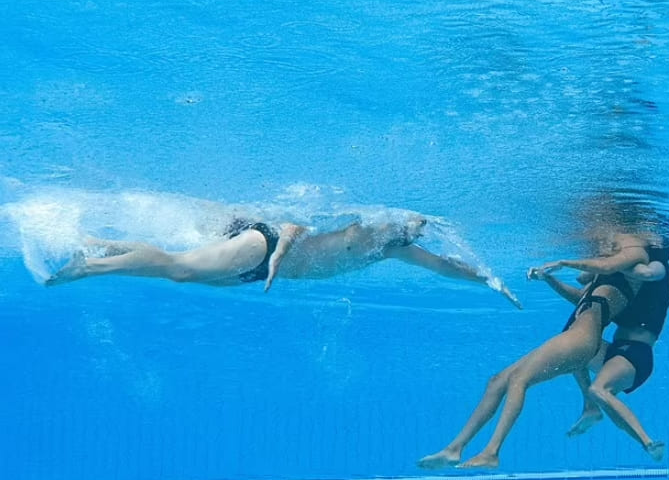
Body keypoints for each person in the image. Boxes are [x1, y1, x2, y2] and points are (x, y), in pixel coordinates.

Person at [417, 230, 656, 469]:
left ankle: (491, 452)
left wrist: (564, 263)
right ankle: (454, 449)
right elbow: (580, 297)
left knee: (520, 380)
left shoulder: (631, 268)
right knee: (498, 381)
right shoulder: (602, 281)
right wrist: (548, 279)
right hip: (574, 336)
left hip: (582, 340)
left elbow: (604, 266)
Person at [45, 215, 522, 308]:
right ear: (394, 219)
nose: (416, 234)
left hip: (259, 274)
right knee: (182, 267)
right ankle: (88, 267)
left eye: (418, 232)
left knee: (182, 275)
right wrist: (274, 263)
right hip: (262, 245)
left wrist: (490, 282)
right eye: (413, 226)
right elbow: (295, 225)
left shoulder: (391, 249)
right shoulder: (361, 224)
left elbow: (446, 267)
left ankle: (95, 244)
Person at [543, 242, 669, 461]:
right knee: (574, 346)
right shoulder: (617, 273)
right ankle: (591, 409)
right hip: (614, 351)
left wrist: (610, 265)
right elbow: (582, 299)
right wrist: (549, 279)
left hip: (636, 355)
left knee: (600, 389)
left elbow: (649, 274)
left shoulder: (657, 264)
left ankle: (648, 441)